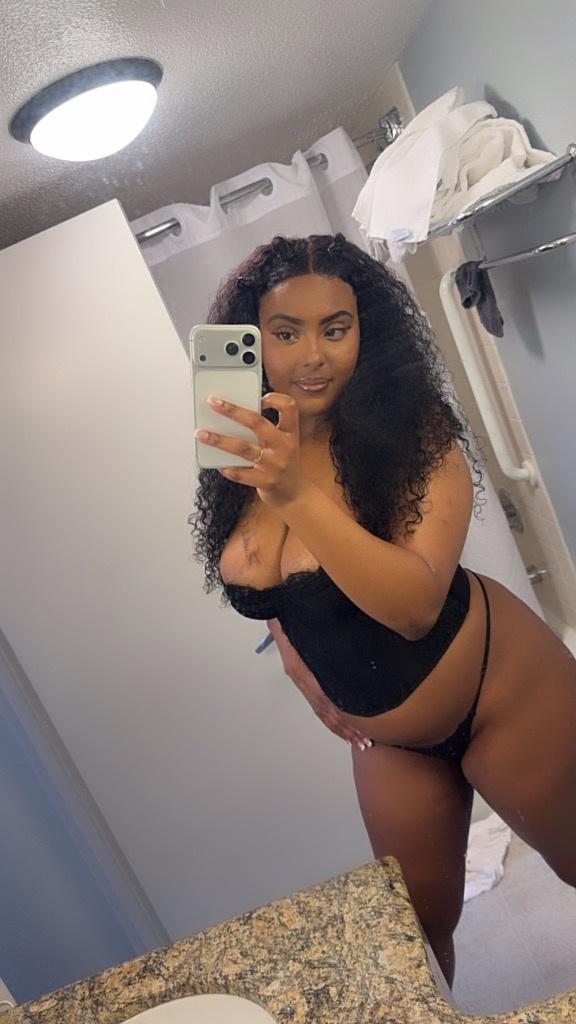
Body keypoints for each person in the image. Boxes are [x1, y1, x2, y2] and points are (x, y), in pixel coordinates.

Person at [188, 232, 576, 990]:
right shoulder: (249, 447)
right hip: (388, 741)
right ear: (251, 339)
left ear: (368, 330)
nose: (313, 357)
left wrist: (292, 491)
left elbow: (416, 607)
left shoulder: (413, 429)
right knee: (414, 940)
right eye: (285, 333)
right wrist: (296, 658)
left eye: (335, 329)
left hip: (499, 690)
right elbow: (274, 583)